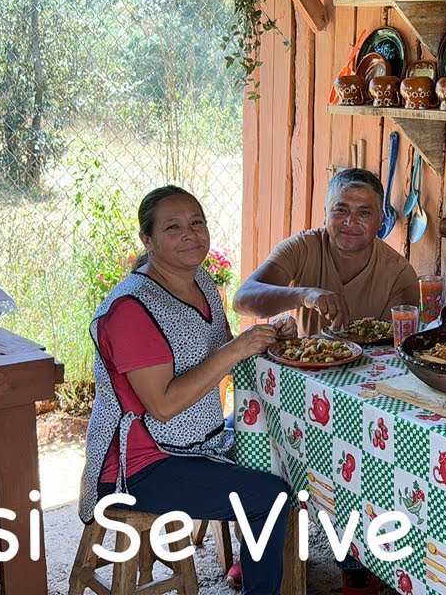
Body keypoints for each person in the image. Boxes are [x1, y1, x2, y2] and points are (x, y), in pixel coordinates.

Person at [78, 185, 289, 594]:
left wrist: (267, 337)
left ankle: (255, 565)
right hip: (138, 467)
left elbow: (219, 354)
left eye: (197, 223)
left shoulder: (201, 282)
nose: (191, 234)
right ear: (148, 240)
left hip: (195, 441)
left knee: (282, 451)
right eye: (173, 227)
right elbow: (163, 405)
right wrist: (239, 347)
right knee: (270, 497)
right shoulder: (132, 309)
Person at [233, 168, 420, 335]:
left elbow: (397, 347)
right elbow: (242, 300)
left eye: (364, 213)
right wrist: (305, 295)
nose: (350, 222)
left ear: (380, 220)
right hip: (303, 369)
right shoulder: (301, 247)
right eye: (341, 210)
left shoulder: (399, 273)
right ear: (325, 214)